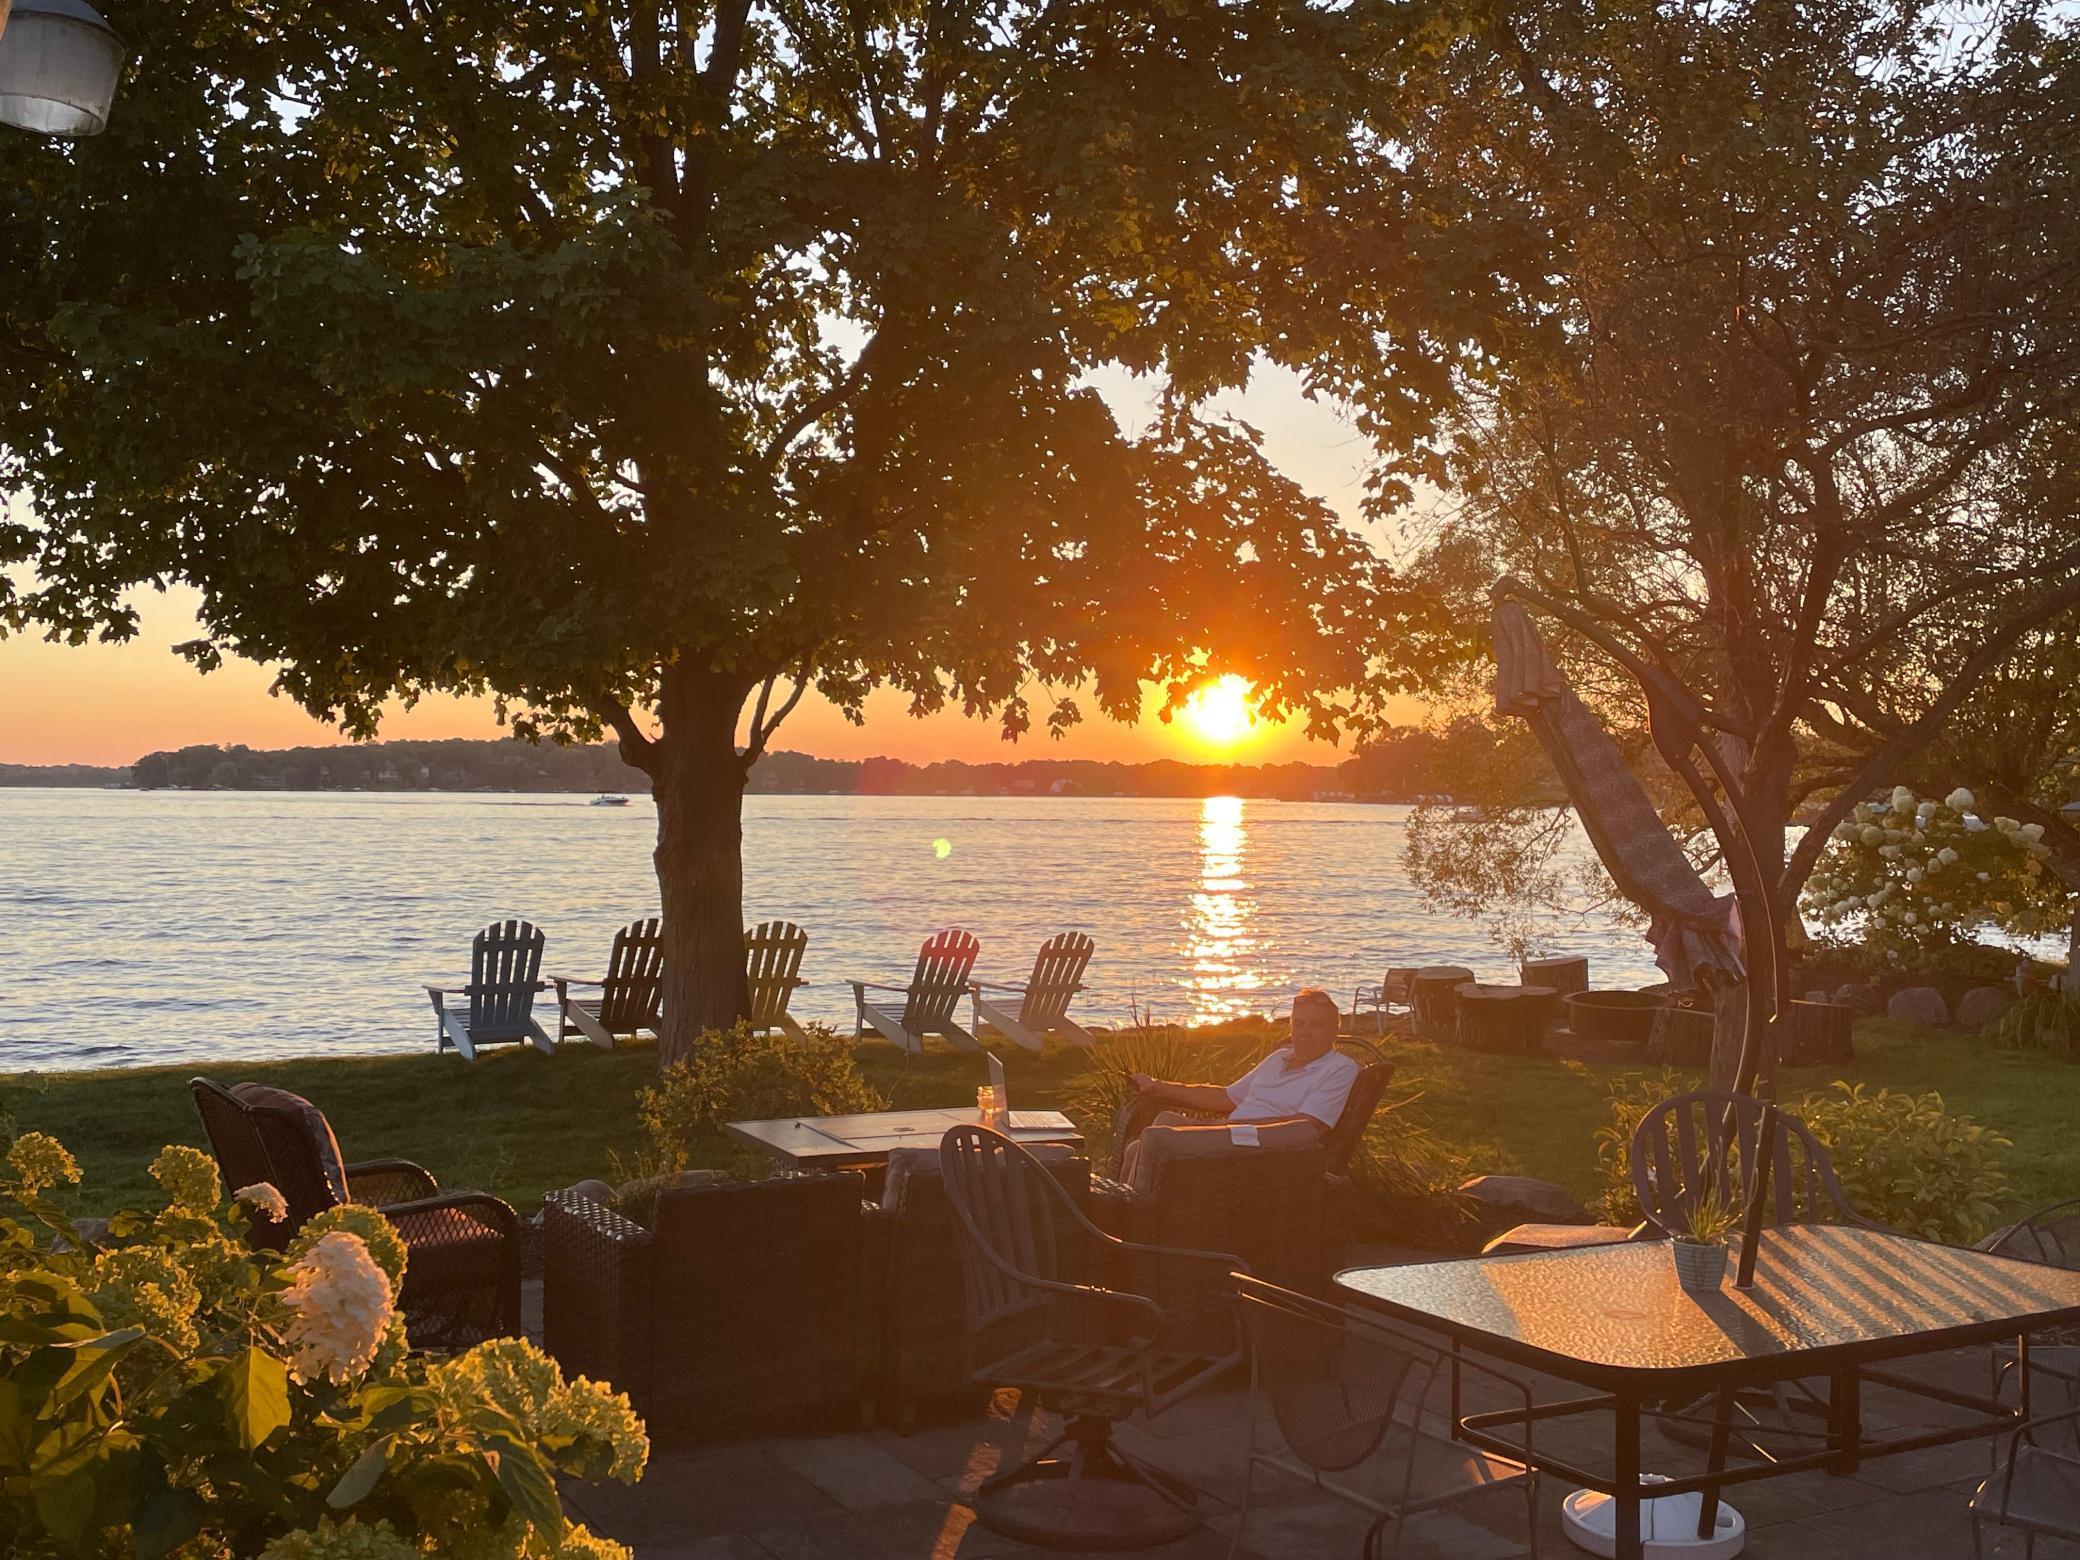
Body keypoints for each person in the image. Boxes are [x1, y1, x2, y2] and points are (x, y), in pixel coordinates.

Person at [1121, 988, 1358, 1180]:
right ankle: (1127, 1213)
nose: (1304, 1032)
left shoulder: (1339, 1068)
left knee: (1157, 1137)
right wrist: (1157, 1086)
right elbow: (1226, 1097)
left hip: (1263, 1151)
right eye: (1299, 1023)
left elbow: (1308, 1126)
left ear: (1333, 1032)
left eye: (1315, 1025)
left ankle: (1135, 1214)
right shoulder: (1279, 1058)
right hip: (1234, 1137)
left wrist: (1230, 1127)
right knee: (1142, 1144)